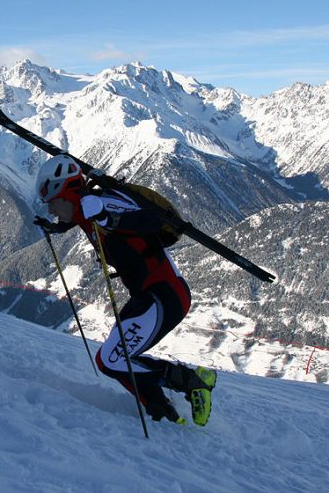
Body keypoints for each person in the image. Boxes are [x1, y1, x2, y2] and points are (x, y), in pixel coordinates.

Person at [33, 154, 217, 426]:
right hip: (148, 296)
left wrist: (110, 219)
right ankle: (162, 411)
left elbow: (151, 220)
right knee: (112, 359)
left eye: (53, 204)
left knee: (111, 359)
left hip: (164, 296)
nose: (51, 210)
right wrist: (57, 228)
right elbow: (79, 217)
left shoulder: (103, 203)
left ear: (68, 194)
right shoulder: (86, 209)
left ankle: (193, 381)